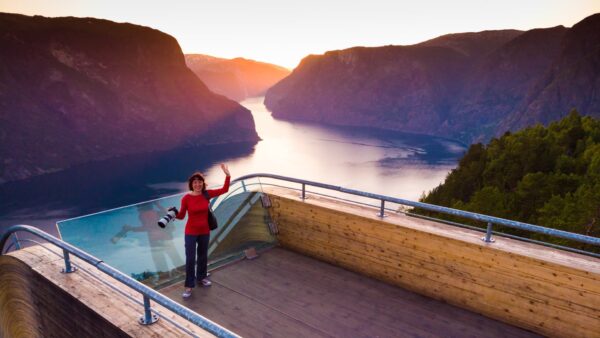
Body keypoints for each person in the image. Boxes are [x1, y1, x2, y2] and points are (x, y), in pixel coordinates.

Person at [175, 163, 230, 298]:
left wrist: (227, 175)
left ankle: (201, 277)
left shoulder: (207, 194)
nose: (197, 185)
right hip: (190, 232)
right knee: (190, 259)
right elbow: (181, 216)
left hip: (205, 231)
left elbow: (224, 189)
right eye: (195, 182)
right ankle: (188, 285)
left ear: (203, 184)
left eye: (200, 182)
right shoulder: (186, 198)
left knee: (203, 256)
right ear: (191, 184)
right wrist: (172, 213)